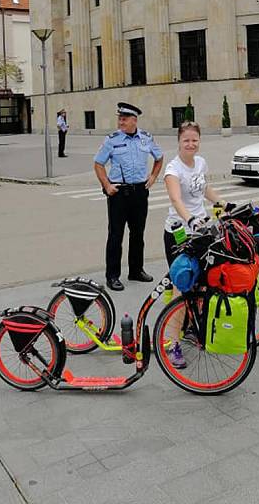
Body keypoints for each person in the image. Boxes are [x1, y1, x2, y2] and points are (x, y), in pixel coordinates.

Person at [163, 121, 228, 368]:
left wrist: (224, 203)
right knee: (182, 288)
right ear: (179, 142)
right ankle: (171, 343)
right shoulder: (173, 169)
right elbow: (176, 199)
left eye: (194, 140)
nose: (190, 144)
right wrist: (190, 218)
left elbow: (204, 189)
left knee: (200, 285)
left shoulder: (200, 163)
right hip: (179, 235)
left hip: (200, 234)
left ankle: (189, 328)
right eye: (186, 140)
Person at [93, 103, 163, 291]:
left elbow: (159, 157)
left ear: (134, 120)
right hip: (119, 193)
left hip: (140, 192)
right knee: (116, 235)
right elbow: (98, 163)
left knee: (138, 234)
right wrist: (107, 185)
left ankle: (136, 270)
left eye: (124, 118)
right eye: (119, 118)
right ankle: (113, 276)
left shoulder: (146, 138)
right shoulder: (112, 140)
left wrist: (154, 176)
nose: (121, 121)